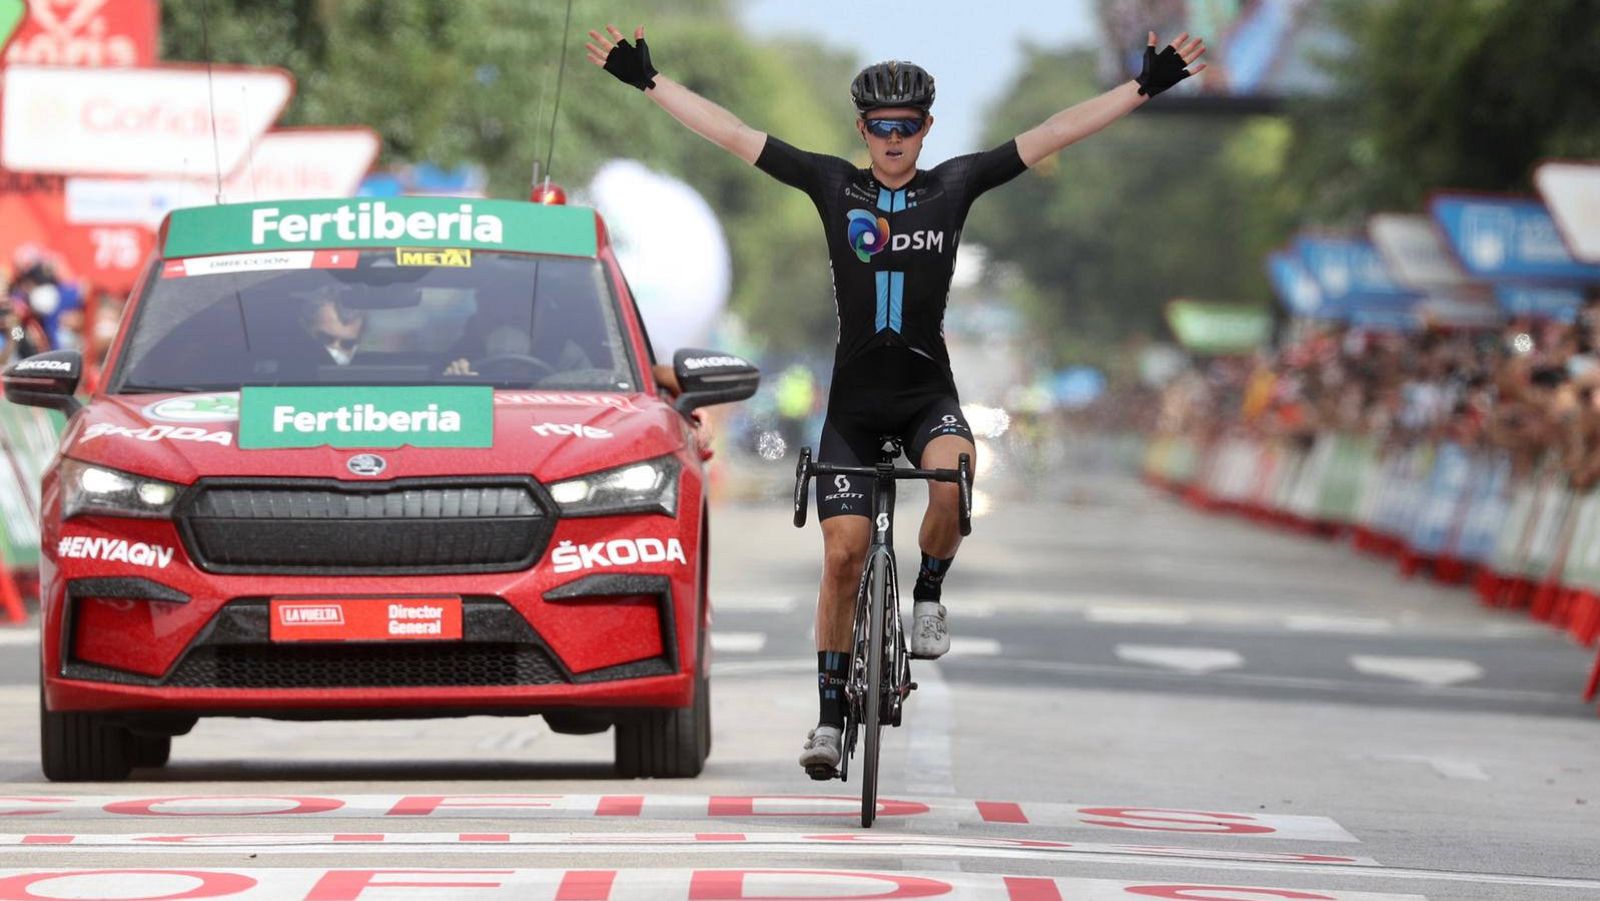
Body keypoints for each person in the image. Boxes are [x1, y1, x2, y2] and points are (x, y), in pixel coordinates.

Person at [587, 24, 1206, 778]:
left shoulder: (952, 186)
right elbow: (736, 135)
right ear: (862, 130)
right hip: (852, 408)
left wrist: (1141, 88)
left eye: (907, 127)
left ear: (926, 129)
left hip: (924, 397)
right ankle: (825, 719)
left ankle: (930, 592)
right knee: (843, 555)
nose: (893, 139)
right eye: (880, 127)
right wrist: (650, 83)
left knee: (952, 474)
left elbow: (1049, 133)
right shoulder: (830, 184)